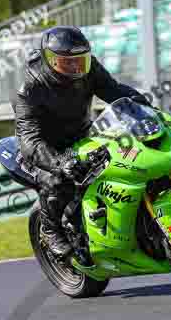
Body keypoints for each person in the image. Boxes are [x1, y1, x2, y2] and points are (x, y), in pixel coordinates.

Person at [14, 25, 145, 256]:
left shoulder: (90, 68)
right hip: (46, 145)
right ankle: (50, 228)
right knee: (57, 181)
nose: (75, 67)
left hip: (82, 134)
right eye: (67, 63)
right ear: (50, 61)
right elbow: (29, 137)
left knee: (125, 159)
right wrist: (59, 162)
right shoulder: (30, 87)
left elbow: (114, 91)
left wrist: (146, 109)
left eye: (80, 60)